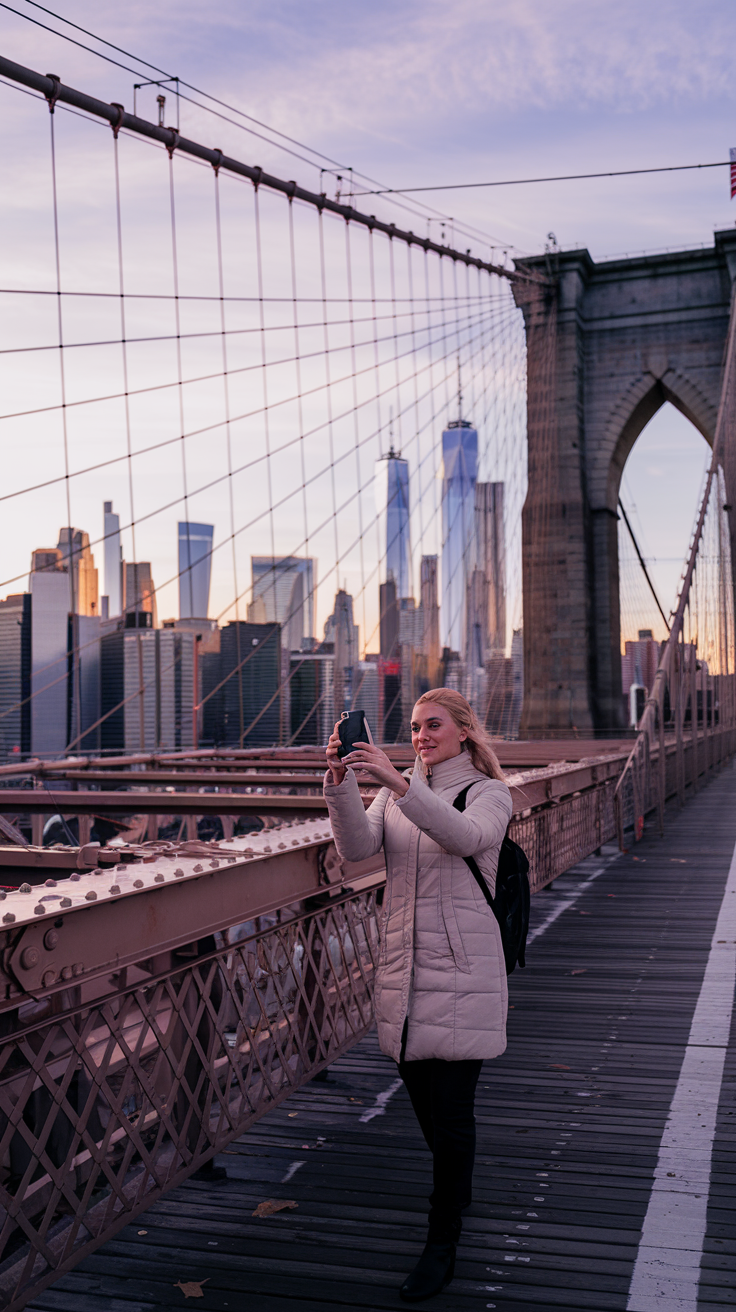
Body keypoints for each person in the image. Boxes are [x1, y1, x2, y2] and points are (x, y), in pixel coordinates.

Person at [324, 687, 513, 1302]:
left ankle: (442, 1241)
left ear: (462, 732)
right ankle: (455, 1190)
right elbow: (355, 849)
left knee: (453, 1114)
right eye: (413, 727)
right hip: (404, 973)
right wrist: (340, 783)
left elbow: (462, 838)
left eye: (434, 726)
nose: (421, 736)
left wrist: (402, 786)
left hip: (463, 971)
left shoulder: (489, 794)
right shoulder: (393, 791)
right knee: (430, 1113)